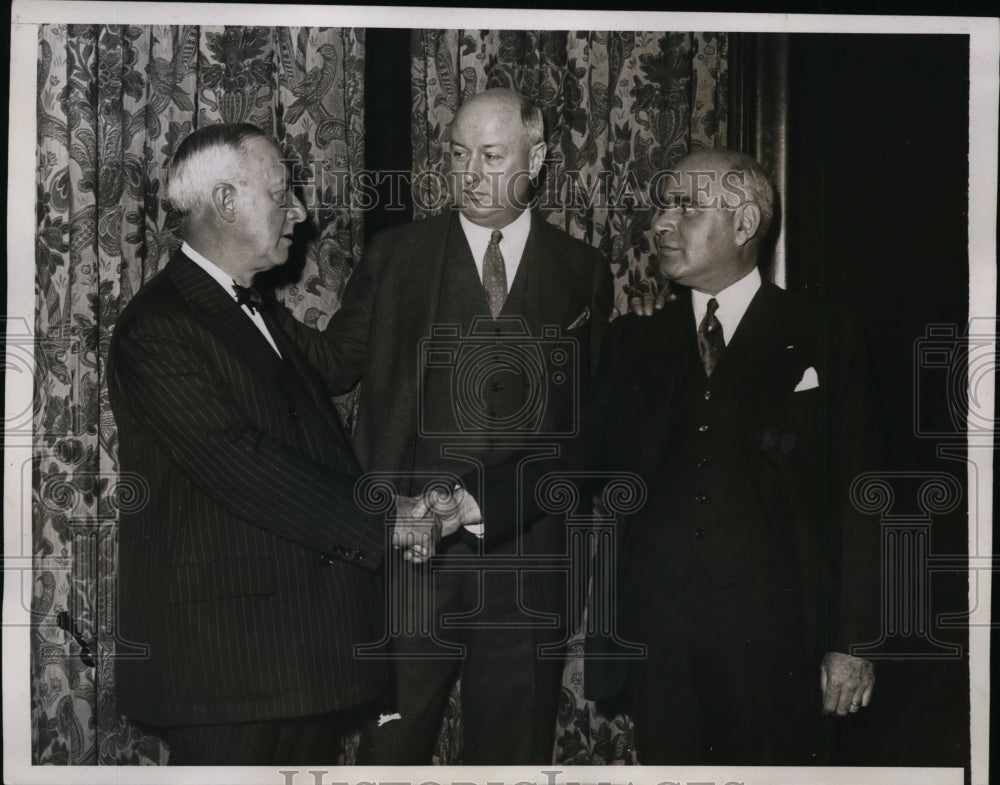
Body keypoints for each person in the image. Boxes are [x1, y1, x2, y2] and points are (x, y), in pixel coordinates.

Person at [281, 88, 613, 764]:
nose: (469, 173)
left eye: (491, 156)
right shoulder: (397, 255)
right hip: (410, 563)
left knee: (512, 760)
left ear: (539, 156)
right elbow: (333, 363)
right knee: (388, 755)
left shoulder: (584, 271)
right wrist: (244, 301)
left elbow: (589, 431)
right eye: (458, 155)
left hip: (528, 567)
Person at [107, 123, 399, 765]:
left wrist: (394, 259)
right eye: (281, 191)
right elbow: (241, 463)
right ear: (228, 201)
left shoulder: (253, 307)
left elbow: (340, 359)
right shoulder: (159, 327)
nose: (299, 210)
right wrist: (386, 522)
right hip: (222, 671)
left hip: (289, 664)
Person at [585, 148, 882, 764]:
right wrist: (470, 501)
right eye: (663, 206)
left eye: (686, 207)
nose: (661, 224)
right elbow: (575, 456)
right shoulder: (634, 341)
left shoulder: (825, 334)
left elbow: (863, 496)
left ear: (743, 226)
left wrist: (854, 642)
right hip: (657, 640)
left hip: (776, 640)